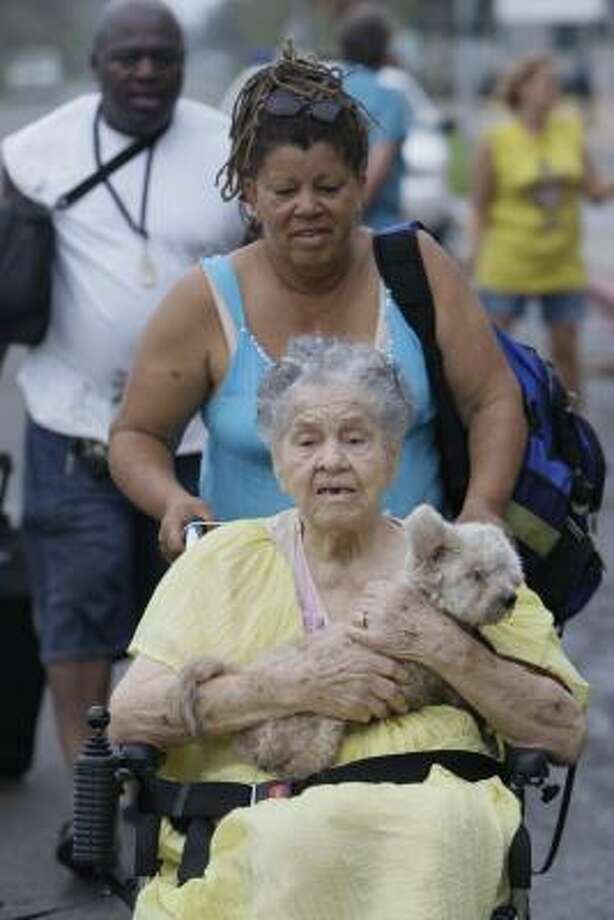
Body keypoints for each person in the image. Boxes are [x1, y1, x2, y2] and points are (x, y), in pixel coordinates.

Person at [109, 337, 588, 920]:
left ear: (392, 453)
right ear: (278, 459)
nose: (331, 460)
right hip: (264, 824)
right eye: (307, 441)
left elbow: (561, 731)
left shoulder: (466, 564)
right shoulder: (223, 559)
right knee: (296, 843)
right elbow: (130, 717)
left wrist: (438, 644)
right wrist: (295, 685)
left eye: (356, 438)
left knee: (428, 841)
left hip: (429, 826)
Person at [108, 42, 527, 564]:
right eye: (284, 191)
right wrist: (172, 500)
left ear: (360, 184)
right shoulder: (205, 301)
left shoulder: (417, 269)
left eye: (328, 187)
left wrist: (482, 508)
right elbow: (137, 434)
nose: (308, 208)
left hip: (410, 599)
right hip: (256, 605)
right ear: (249, 194)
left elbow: (493, 399)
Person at [0, 0, 243, 868]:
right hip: (72, 431)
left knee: (171, 625)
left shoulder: (226, 148)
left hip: (193, 447)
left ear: (183, 64)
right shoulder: (31, 156)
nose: (146, 73)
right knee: (74, 624)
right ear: (98, 62)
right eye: (129, 58)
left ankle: (166, 790)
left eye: (163, 58)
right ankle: (91, 795)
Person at [470, 54, 614, 401]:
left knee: (567, 351)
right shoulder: (497, 139)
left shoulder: (570, 129)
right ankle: (506, 419)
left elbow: (594, 192)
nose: (555, 89)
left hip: (561, 261)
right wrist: (473, 256)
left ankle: (575, 432)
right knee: (498, 353)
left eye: (556, 83)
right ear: (522, 88)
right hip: (508, 259)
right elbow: (480, 205)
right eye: (546, 82)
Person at [337, 4, 410, 230]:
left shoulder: (328, 88)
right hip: (373, 231)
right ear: (383, 49)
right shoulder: (389, 99)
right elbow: (376, 168)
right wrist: (347, 221)